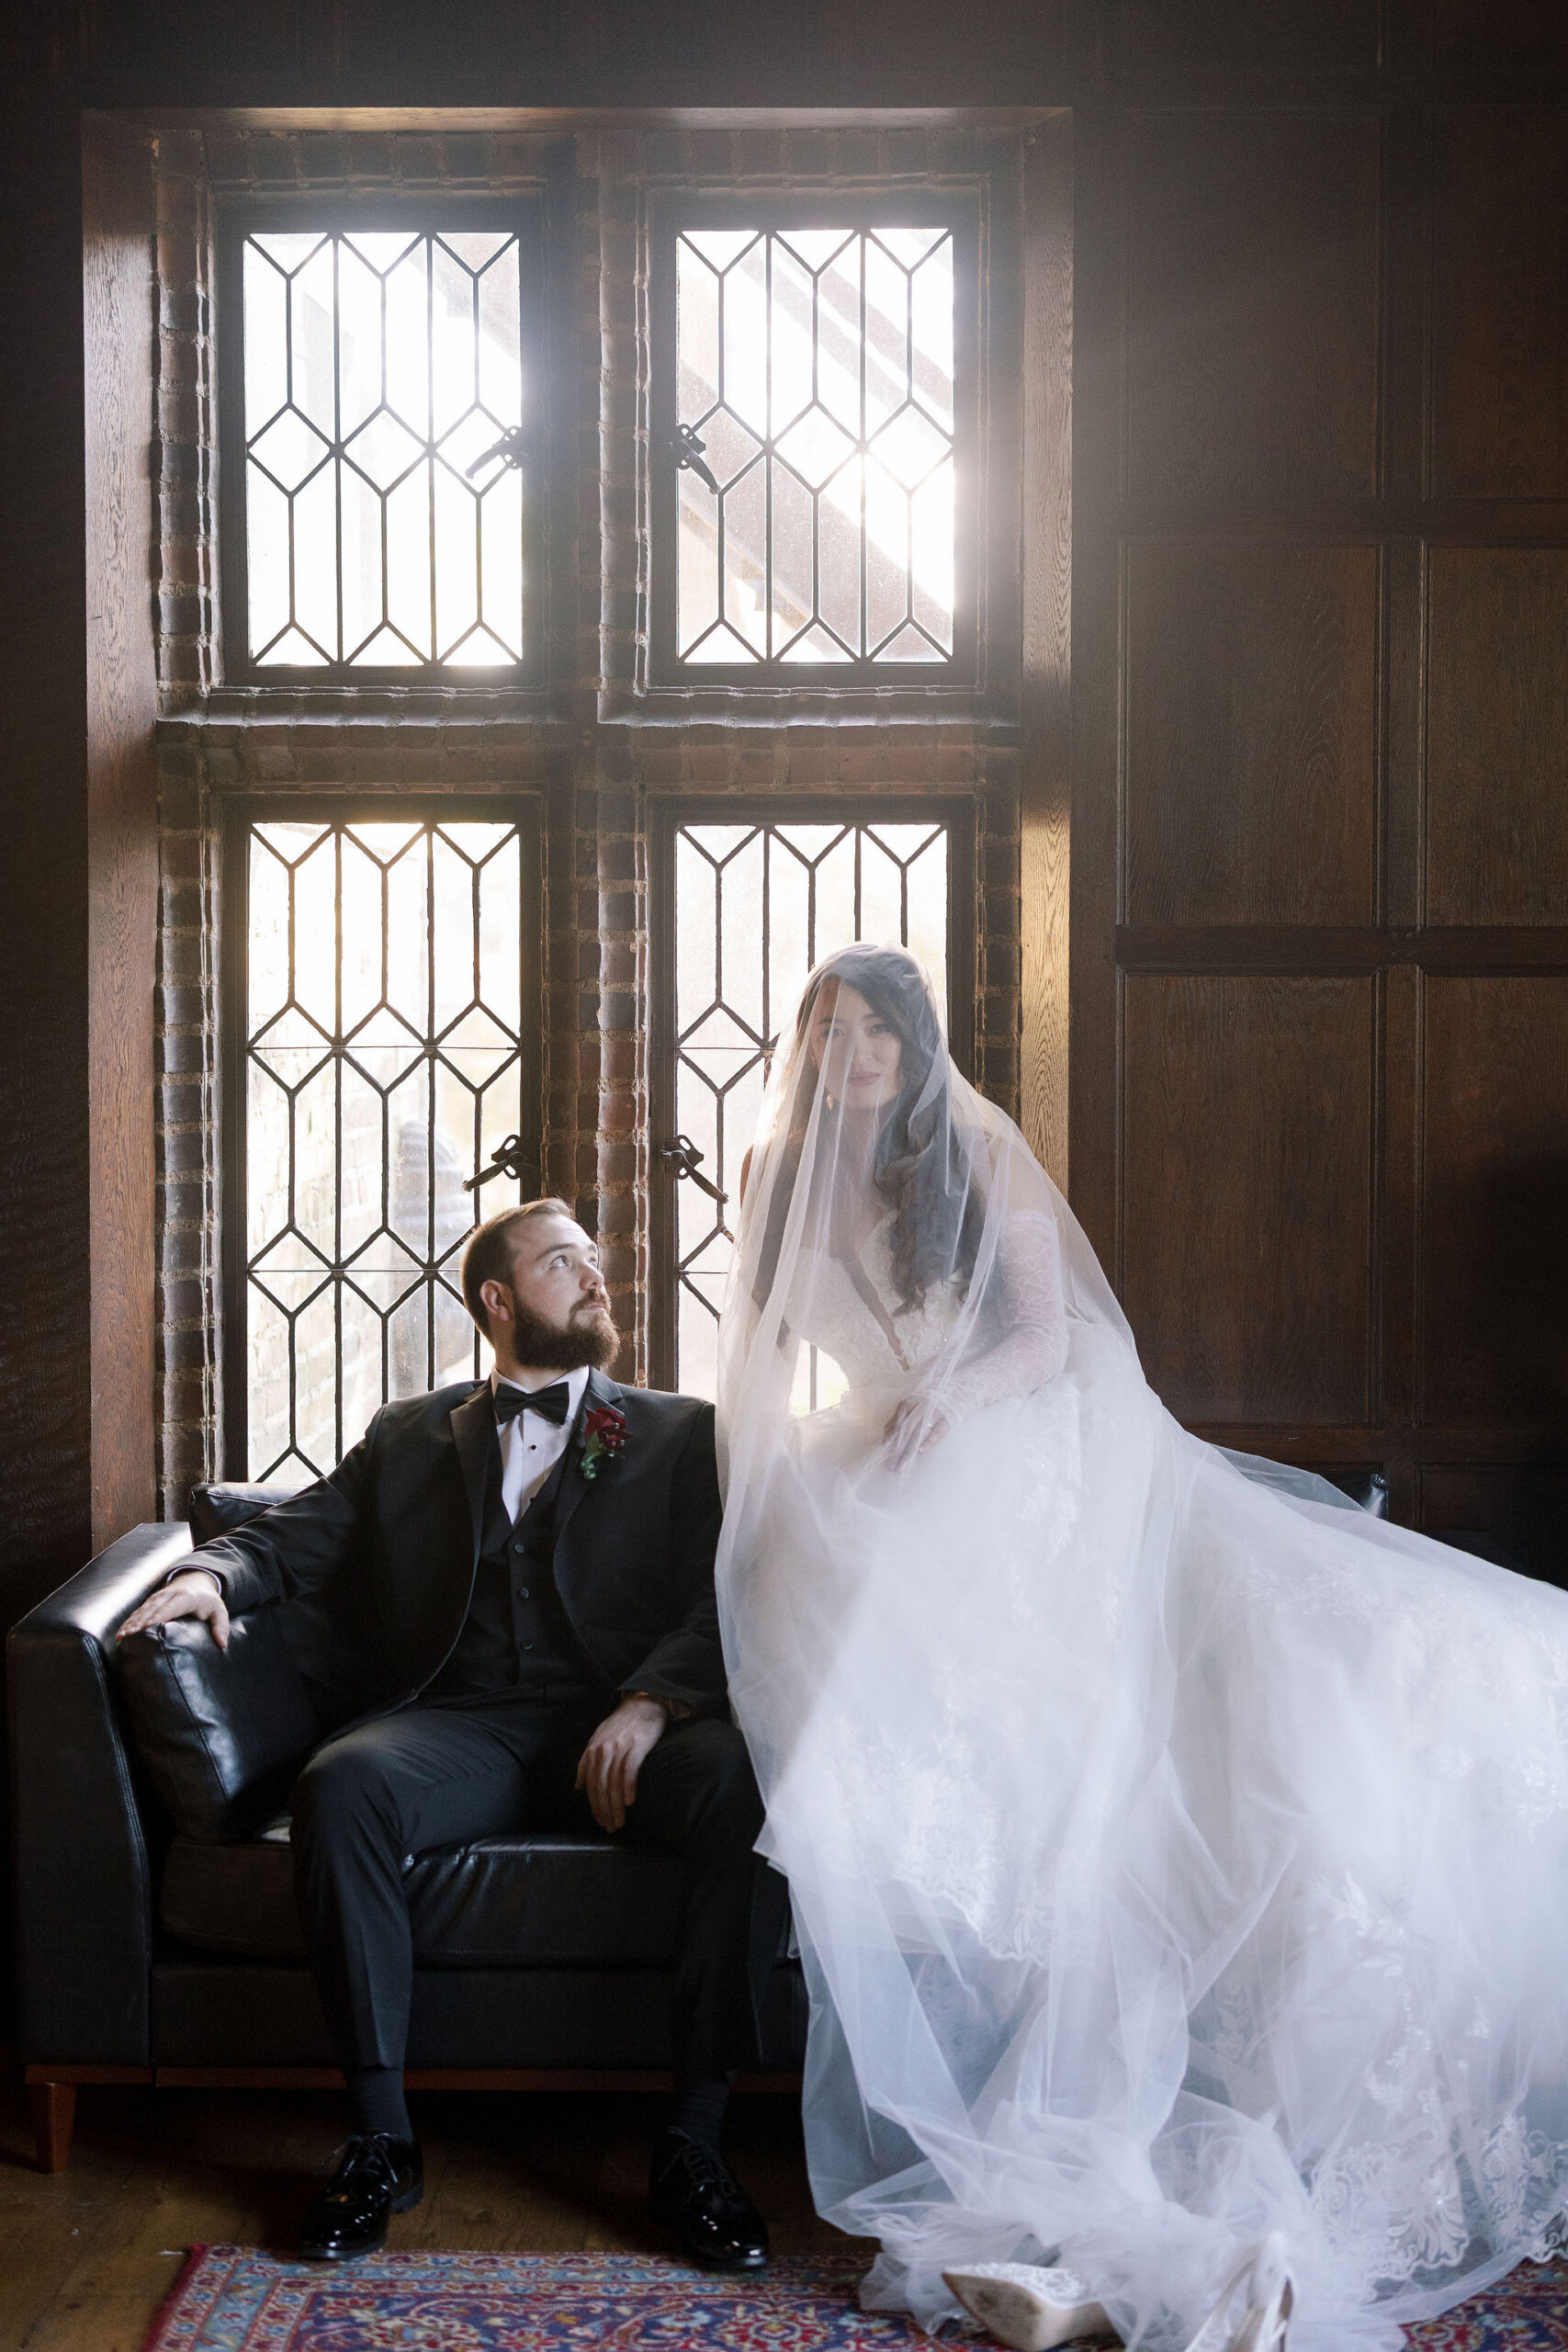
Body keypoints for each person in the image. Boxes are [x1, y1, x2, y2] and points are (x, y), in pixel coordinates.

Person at [715, 943, 1568, 2352]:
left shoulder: (971, 1155)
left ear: (916, 1050)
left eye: (877, 1031)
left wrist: (946, 1407)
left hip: (1032, 1437)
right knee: (855, 1633)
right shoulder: (773, 1177)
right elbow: (760, 1352)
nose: (853, 1053)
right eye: (829, 1030)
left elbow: (1044, 1339)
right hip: (889, 1448)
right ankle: (1030, 2097)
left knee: (1188, 1728)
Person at [118, 1198, 784, 2269]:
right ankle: (380, 2138)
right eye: (564, 1262)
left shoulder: (679, 1431)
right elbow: (300, 1533)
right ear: (499, 1297)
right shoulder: (410, 1434)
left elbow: (731, 1591)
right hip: (464, 1722)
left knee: (742, 1785)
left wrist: (652, 1701)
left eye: (593, 1258)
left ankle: (695, 2146)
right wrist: (208, 1570)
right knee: (342, 1788)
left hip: (626, 1724)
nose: (595, 1276)